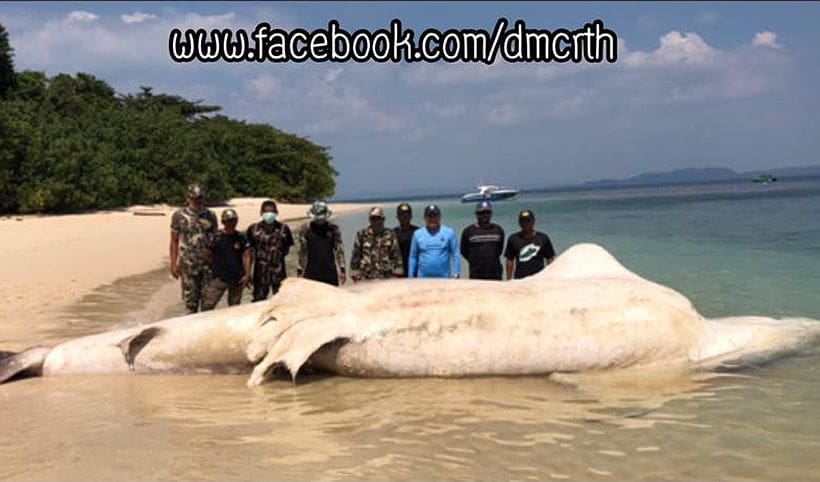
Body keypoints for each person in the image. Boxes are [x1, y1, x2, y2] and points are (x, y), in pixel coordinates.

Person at [169, 184, 218, 313]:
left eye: (199, 198)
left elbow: (216, 240)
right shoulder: (179, 216)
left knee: (208, 303)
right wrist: (173, 264)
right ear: (188, 197)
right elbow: (174, 241)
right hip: (188, 264)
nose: (197, 201)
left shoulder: (210, 215)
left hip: (208, 265)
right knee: (190, 303)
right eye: (194, 198)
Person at [201, 209, 252, 311]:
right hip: (219, 278)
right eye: (229, 220)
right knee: (207, 306)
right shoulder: (215, 237)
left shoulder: (241, 237)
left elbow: (247, 255)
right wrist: (217, 266)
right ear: (223, 222)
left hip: (237, 278)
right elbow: (206, 254)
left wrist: (247, 274)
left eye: (234, 220)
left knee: (234, 308)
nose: (232, 223)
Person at [246, 200, 294, 301]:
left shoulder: (283, 229)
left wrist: (276, 257)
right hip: (260, 274)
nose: (269, 215)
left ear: (276, 213)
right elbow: (248, 252)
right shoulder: (254, 229)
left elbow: (286, 250)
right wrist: (247, 273)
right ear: (261, 213)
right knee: (258, 302)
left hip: (279, 273)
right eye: (266, 212)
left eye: (271, 212)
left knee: (281, 301)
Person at [296, 200, 347, 286]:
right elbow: (302, 252)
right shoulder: (305, 229)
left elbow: (339, 250)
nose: (320, 220)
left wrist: (342, 270)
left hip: (330, 272)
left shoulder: (333, 229)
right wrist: (300, 271)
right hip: (311, 273)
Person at [350, 207, 403, 282]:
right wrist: (355, 275)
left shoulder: (390, 234)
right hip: (365, 278)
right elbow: (355, 256)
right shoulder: (361, 234)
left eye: (378, 218)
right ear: (369, 219)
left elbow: (397, 255)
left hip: (386, 278)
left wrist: (397, 275)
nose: (375, 221)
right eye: (373, 218)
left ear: (383, 219)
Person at [408, 204, 460, 279]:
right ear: (425, 218)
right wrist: (410, 276)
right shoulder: (417, 234)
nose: (432, 219)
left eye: (435, 216)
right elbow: (413, 257)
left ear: (439, 217)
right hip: (423, 279)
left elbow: (455, 254)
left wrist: (456, 273)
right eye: (429, 216)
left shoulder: (449, 233)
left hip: (444, 278)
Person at [504, 209, 556, 280]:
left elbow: (550, 258)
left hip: (539, 278)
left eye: (528, 221)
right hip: (520, 279)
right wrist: (509, 279)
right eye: (523, 221)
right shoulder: (513, 239)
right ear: (519, 222)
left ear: (533, 221)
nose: (525, 223)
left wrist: (550, 276)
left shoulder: (543, 238)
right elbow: (510, 260)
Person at [460, 200, 505, 280]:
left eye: (487, 212)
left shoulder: (498, 230)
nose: (484, 215)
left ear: (491, 213)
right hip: (476, 273)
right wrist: (475, 260)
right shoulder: (468, 231)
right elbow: (464, 251)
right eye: (481, 213)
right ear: (476, 214)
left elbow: (499, 250)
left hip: (495, 273)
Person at [393, 202, 419, 277]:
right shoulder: (392, 233)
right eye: (401, 215)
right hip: (398, 272)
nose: (404, 217)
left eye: (407, 215)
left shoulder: (418, 232)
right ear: (397, 217)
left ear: (411, 216)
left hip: (416, 272)